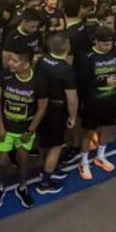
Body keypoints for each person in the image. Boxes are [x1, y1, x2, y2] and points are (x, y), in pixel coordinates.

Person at [0, 49, 47, 209]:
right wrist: (0, 126)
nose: (9, 63)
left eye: (14, 61)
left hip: (25, 129)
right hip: (5, 127)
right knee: (1, 162)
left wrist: (30, 131)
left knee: (23, 160)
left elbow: (42, 108)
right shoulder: (3, 76)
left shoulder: (39, 81)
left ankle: (22, 188)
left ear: (26, 64)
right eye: (10, 60)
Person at [75, 26, 116, 180]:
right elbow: (82, 80)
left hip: (111, 99)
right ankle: (83, 161)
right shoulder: (87, 57)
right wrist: (104, 80)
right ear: (96, 41)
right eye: (104, 44)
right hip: (92, 102)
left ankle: (100, 156)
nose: (108, 47)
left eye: (110, 44)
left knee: (107, 128)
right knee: (88, 132)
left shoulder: (115, 53)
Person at [35, 34, 78, 195]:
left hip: (40, 108)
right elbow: (72, 99)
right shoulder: (66, 69)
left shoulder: (42, 61)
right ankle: (45, 183)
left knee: (45, 142)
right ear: (67, 48)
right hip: (56, 111)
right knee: (56, 146)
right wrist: (72, 116)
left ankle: (45, 169)